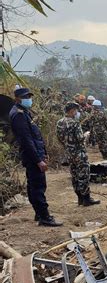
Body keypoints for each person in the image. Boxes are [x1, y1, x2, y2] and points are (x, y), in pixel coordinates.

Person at [9, 88, 62, 226]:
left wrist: (43, 153)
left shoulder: (24, 112)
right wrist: (38, 160)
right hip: (32, 157)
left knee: (34, 185)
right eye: (25, 97)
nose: (28, 99)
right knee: (38, 186)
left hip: (34, 155)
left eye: (29, 96)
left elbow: (34, 137)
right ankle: (44, 216)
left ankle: (39, 214)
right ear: (17, 99)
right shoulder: (19, 115)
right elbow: (26, 140)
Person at [56, 103, 100, 206]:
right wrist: (86, 135)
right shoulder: (74, 123)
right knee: (83, 174)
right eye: (75, 110)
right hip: (79, 153)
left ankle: (80, 198)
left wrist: (68, 145)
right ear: (71, 111)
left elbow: (59, 138)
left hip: (69, 153)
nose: (76, 112)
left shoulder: (59, 122)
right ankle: (86, 199)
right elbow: (80, 139)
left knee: (74, 175)